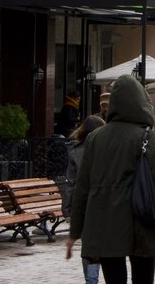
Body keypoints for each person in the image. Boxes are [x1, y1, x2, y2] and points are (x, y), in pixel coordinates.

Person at [67, 74, 155, 284]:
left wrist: (75, 231)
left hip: (104, 224)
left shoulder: (94, 138)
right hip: (140, 221)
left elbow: (82, 188)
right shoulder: (146, 135)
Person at [65, 115, 106, 284]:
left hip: (84, 206)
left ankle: (91, 279)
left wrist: (68, 210)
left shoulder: (76, 151)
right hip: (105, 204)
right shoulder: (107, 148)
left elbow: (71, 184)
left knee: (89, 245)